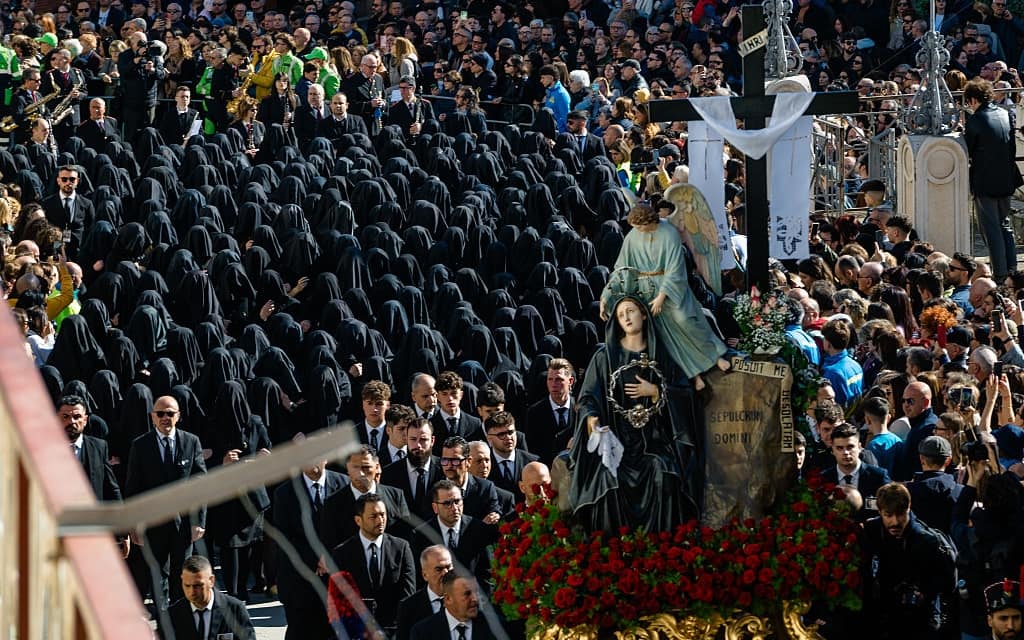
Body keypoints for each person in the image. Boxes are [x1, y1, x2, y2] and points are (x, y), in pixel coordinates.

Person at [570, 293, 703, 533]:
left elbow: (685, 394)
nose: (626, 318)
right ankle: (612, 550)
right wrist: (592, 420)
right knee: (608, 479)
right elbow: (588, 397)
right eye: (621, 315)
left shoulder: (663, 354)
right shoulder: (604, 357)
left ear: (643, 313)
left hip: (655, 440)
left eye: (630, 311)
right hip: (616, 439)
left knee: (664, 472)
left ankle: (662, 546)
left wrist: (656, 391)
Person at [600, 203, 728, 391]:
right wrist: (605, 297)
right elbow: (621, 270)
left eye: (640, 226)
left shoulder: (669, 232)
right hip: (644, 291)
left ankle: (715, 356)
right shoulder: (633, 236)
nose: (638, 231)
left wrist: (662, 296)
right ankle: (694, 374)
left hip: (669, 288)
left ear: (650, 220)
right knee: (663, 336)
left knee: (684, 320)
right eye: (635, 227)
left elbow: (675, 266)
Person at [123, 395, 207, 606]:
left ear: (178, 416)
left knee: (182, 575)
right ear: (152, 417)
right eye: (160, 413)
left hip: (183, 524)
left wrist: (198, 521)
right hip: (153, 523)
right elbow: (133, 488)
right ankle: (163, 623)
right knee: (157, 577)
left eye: (170, 413)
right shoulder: (140, 445)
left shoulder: (191, 441)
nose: (165, 418)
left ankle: (180, 621)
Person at [860, 482, 958, 640]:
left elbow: (947, 581)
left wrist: (924, 594)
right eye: (888, 515)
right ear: (880, 511)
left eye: (900, 514)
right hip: (883, 614)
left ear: (909, 508)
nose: (895, 521)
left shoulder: (927, 540)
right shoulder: (872, 530)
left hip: (921, 618)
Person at [272, 455, 348, 640]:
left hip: (336, 579)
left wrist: (330, 557)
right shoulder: (285, 492)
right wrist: (317, 559)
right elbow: (284, 537)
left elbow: (348, 529)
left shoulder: (344, 484)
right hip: (300, 581)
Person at [330, 493, 416, 632]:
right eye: (373, 516)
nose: (380, 520)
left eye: (383, 515)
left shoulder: (401, 548)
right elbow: (339, 599)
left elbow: (408, 593)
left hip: (393, 629)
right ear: (358, 520)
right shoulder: (342, 553)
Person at [964, 78, 1022, 280]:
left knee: (991, 228)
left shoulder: (976, 120)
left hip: (985, 181)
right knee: (1004, 224)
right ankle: (1012, 268)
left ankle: (1000, 272)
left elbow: (967, 150)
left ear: (972, 99)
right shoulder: (1004, 114)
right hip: (1006, 177)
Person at [158, 555, 255, 640]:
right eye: (187, 585)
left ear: (211, 581)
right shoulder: (172, 615)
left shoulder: (235, 610)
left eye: (198, 586)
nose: (191, 592)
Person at [409, 570, 502, 640]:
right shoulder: (422, 632)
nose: (475, 599)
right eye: (467, 594)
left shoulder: (494, 627)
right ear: (448, 599)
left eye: (476, 592)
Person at [524, 358, 576, 465]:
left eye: (559, 379)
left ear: (570, 381)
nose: (553, 385)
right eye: (550, 379)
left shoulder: (580, 410)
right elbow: (532, 450)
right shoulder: (535, 413)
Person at [396, 545, 453, 640]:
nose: (445, 573)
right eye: (439, 569)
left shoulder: (464, 600)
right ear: (425, 575)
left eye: (448, 567)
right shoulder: (408, 607)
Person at [41, 165, 93, 262]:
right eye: (64, 179)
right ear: (58, 181)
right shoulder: (47, 203)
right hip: (56, 250)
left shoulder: (87, 204)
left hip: (79, 253)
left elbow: (90, 228)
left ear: (77, 181)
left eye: (72, 179)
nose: (68, 183)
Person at [484, 411, 538, 503]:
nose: (508, 437)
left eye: (511, 432)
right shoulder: (483, 464)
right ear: (489, 438)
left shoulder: (532, 462)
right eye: (501, 434)